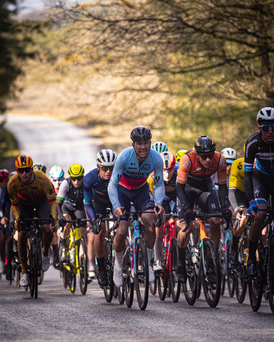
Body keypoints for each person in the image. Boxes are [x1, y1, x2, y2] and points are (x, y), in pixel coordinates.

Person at [108, 126, 165, 287]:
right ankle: (118, 266)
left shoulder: (155, 158)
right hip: (122, 191)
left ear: (150, 143)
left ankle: (147, 262)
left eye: (146, 143)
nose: (143, 147)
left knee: (150, 220)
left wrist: (159, 202)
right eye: (139, 143)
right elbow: (112, 184)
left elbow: (159, 184)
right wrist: (116, 205)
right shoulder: (124, 157)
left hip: (141, 190)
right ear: (133, 145)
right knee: (122, 229)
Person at [176, 135, 231, 282]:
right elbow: (179, 188)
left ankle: (210, 257)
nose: (208, 159)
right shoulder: (187, 159)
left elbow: (223, 187)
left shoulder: (220, 159)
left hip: (205, 189)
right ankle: (181, 262)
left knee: (216, 220)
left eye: (210, 155)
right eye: (204, 156)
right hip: (187, 189)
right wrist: (187, 209)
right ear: (197, 154)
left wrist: (224, 207)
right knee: (186, 228)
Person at [7, 155, 58, 287]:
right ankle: (24, 271)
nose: (24, 173)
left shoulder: (41, 177)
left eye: (27, 170)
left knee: (47, 228)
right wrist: (18, 220)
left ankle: (45, 252)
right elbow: (14, 205)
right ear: (17, 171)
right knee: (22, 234)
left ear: (31, 169)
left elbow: (53, 202)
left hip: (42, 202)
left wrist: (54, 218)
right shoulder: (12, 183)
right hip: (24, 204)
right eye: (21, 170)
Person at [244, 107, 274, 276]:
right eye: (266, 127)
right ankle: (250, 260)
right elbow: (247, 176)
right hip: (259, 179)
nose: (271, 131)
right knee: (260, 215)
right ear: (259, 128)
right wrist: (251, 202)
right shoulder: (252, 143)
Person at [84, 149, 117, 286]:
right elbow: (87, 203)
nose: (108, 171)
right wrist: (93, 221)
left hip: (115, 202)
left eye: (111, 167)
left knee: (122, 226)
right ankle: (102, 269)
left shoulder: (119, 176)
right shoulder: (89, 179)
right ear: (98, 167)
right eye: (105, 168)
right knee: (99, 231)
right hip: (98, 205)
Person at [147, 151, 178, 272]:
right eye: (164, 170)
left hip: (174, 198)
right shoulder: (153, 175)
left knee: (178, 223)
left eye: (170, 170)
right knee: (158, 227)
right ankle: (157, 260)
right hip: (159, 198)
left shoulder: (178, 173)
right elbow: (149, 194)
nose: (167, 173)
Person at [57, 164, 86, 264]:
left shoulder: (86, 183)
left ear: (83, 177)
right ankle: (64, 246)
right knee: (67, 223)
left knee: (83, 231)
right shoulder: (65, 184)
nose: (76, 182)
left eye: (79, 179)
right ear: (70, 178)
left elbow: (90, 202)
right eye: (74, 179)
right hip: (66, 207)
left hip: (78, 207)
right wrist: (61, 217)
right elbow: (58, 204)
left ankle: (82, 257)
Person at [228, 157, 249, 264]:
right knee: (243, 217)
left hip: (254, 193)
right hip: (240, 194)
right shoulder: (237, 164)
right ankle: (234, 250)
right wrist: (236, 209)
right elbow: (231, 191)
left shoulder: (264, 164)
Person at [49, 165, 65, 268]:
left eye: (59, 179)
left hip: (63, 210)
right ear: (51, 179)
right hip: (52, 212)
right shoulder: (48, 187)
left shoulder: (65, 185)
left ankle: (64, 245)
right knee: (53, 229)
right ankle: (55, 255)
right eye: (55, 180)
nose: (57, 183)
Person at [0, 169, 9, 274]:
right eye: (1, 181)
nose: (3, 183)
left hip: (7, 215)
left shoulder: (9, 188)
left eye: (5, 180)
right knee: (2, 240)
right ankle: (2, 260)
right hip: (1, 216)